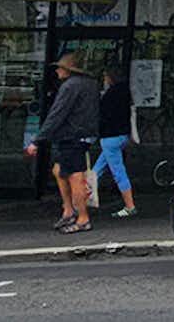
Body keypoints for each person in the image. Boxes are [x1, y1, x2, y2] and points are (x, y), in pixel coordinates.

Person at [26, 53, 99, 234]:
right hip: (83, 134)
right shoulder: (90, 84)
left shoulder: (70, 86)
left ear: (68, 69)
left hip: (72, 136)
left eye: (59, 67)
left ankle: (82, 218)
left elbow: (57, 114)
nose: (57, 71)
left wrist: (38, 140)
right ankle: (68, 210)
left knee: (76, 178)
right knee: (59, 171)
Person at [87, 65, 137, 218]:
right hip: (122, 135)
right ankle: (84, 200)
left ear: (110, 78)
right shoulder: (125, 91)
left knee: (118, 172)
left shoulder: (109, 95)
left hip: (110, 137)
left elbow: (102, 116)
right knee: (97, 170)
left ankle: (130, 206)